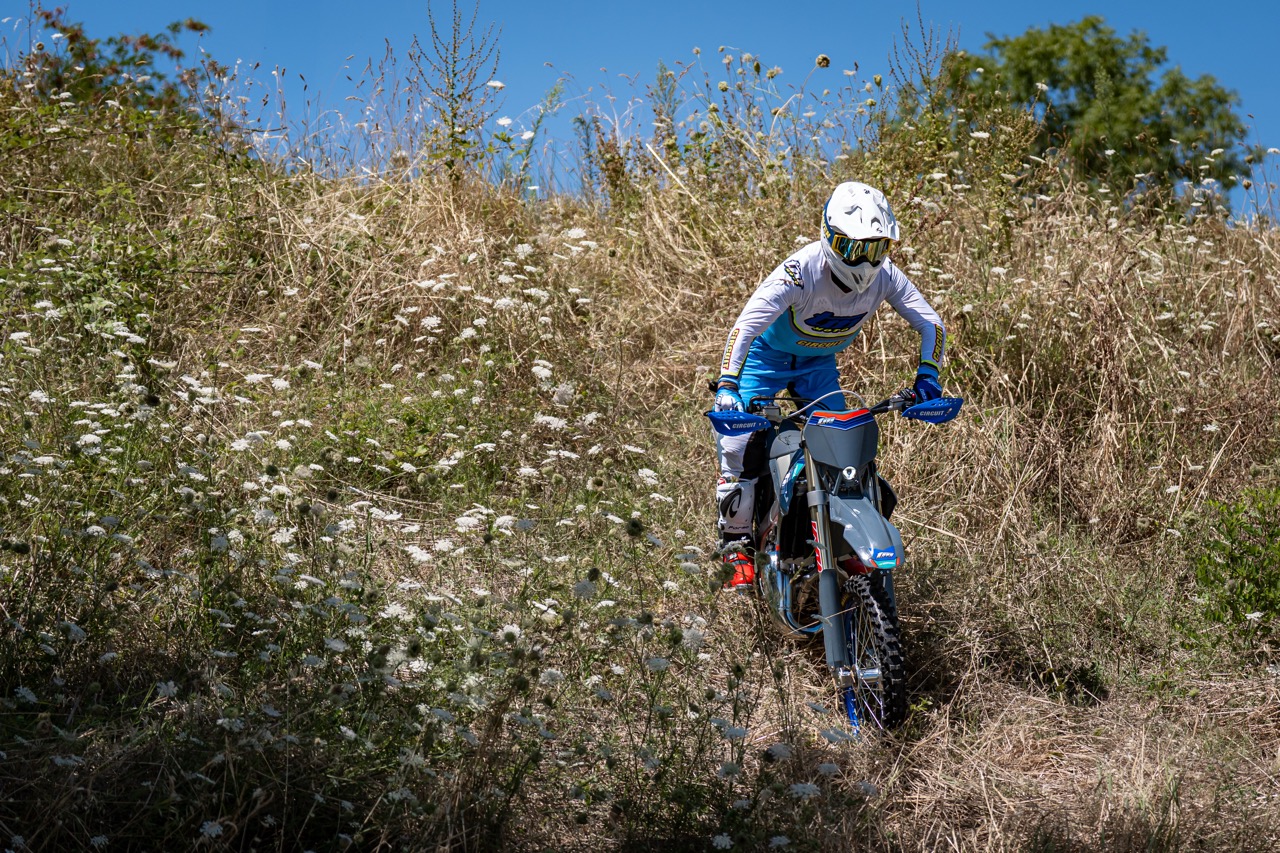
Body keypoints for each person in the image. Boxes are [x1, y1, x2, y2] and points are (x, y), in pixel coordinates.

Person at [713, 181, 947, 591]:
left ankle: (842, 540)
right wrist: (729, 385)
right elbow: (745, 325)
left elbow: (931, 324)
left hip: (817, 365)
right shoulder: (799, 271)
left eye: (875, 249)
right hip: (765, 360)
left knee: (844, 446)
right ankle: (735, 545)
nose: (865, 261)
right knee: (738, 445)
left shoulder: (886, 277)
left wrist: (928, 375)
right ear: (829, 236)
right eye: (855, 248)